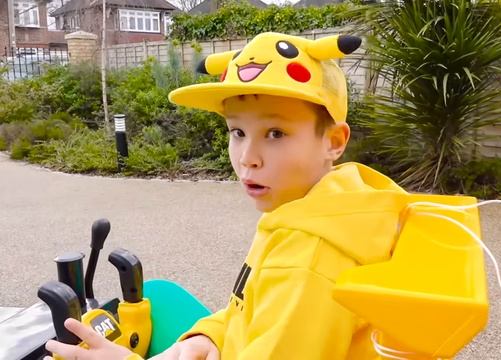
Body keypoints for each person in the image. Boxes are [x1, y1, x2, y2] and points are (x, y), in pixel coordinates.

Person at [45, 31, 418, 360]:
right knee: (157, 295)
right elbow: (247, 309)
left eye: (275, 133)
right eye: (237, 132)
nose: (246, 158)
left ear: (334, 141)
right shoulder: (318, 205)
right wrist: (210, 336)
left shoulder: (309, 263)